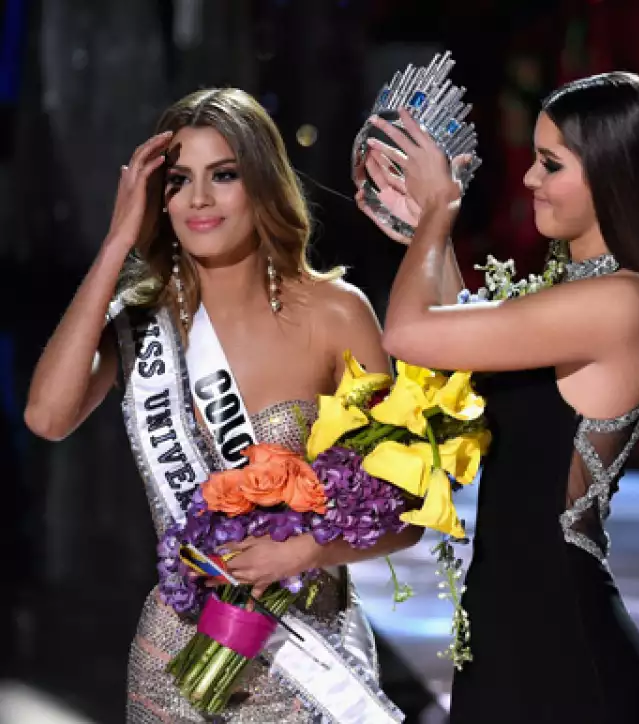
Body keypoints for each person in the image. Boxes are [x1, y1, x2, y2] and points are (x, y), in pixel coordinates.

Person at [24, 88, 414, 722]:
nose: (199, 199)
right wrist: (118, 242)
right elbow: (46, 417)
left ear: (261, 184)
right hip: (173, 664)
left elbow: (406, 511)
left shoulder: (337, 313)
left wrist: (306, 551)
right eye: (179, 181)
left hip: (306, 664)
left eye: (224, 175)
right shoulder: (142, 323)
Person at [356, 71, 639, 723]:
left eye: (551, 164)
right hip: (512, 631)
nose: (529, 179)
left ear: (609, 171)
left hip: (560, 647)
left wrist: (438, 216)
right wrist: (423, 234)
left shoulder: (619, 301)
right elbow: (458, 340)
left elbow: (407, 334)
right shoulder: (578, 292)